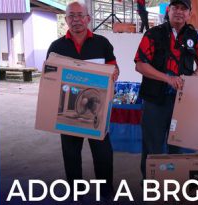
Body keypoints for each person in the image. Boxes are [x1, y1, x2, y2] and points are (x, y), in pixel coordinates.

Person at [46, 1, 120, 200]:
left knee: (103, 153)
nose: (76, 20)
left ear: (88, 18)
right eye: (71, 16)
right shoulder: (57, 46)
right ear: (66, 19)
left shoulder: (102, 43)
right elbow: (50, 76)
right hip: (68, 109)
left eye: (80, 15)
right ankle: (75, 191)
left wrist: (113, 74)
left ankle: (105, 190)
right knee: (70, 154)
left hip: (97, 108)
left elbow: (114, 69)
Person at [134, 0, 198, 179]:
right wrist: (167, 78)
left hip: (181, 104)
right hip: (154, 102)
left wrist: (192, 80)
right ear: (169, 10)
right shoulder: (153, 34)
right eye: (175, 8)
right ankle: (152, 187)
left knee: (177, 149)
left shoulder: (194, 37)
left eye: (184, 9)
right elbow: (140, 65)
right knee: (153, 149)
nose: (179, 12)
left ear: (189, 14)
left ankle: (174, 188)